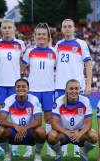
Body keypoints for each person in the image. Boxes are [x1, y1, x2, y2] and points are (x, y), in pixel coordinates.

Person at [54, 18, 92, 157]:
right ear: (62, 29)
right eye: (65, 26)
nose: (67, 28)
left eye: (70, 26)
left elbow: (88, 64)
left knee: (79, 116)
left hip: (77, 87)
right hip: (60, 86)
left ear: (74, 28)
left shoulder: (81, 44)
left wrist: (88, 84)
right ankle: (62, 149)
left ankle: (77, 147)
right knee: (61, 117)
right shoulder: (58, 44)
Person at [0, 19, 26, 157]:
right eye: (4, 27)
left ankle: (16, 148)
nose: (7, 30)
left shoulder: (20, 44)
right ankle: (1, 148)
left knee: (14, 117)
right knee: (0, 116)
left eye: (9, 27)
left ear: (14, 29)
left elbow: (24, 62)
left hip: (15, 85)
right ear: (1, 29)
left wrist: (19, 74)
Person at [21, 23, 56, 157]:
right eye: (39, 34)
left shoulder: (54, 52)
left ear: (48, 36)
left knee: (48, 119)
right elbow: (21, 69)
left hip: (48, 90)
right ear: (35, 36)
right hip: (33, 90)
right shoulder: (30, 51)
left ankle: (49, 148)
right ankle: (29, 149)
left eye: (44, 34)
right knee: (31, 120)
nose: (41, 36)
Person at [0, 78, 46, 161]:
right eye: (18, 86)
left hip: (29, 132)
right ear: (15, 89)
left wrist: (24, 128)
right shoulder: (9, 100)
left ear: (28, 89)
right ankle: (8, 152)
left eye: (23, 86)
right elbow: (1, 121)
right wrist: (15, 126)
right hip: (14, 132)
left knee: (41, 131)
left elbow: (39, 121)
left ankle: (37, 153)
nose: (21, 88)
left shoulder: (34, 100)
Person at [47, 79, 98, 161]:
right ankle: (59, 154)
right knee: (51, 135)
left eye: (76, 89)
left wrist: (79, 133)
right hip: (63, 134)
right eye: (71, 89)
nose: (74, 91)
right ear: (66, 90)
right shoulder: (59, 101)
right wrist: (68, 133)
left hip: (80, 134)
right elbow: (54, 124)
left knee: (94, 136)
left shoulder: (85, 101)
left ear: (79, 90)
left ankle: (84, 153)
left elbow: (89, 124)